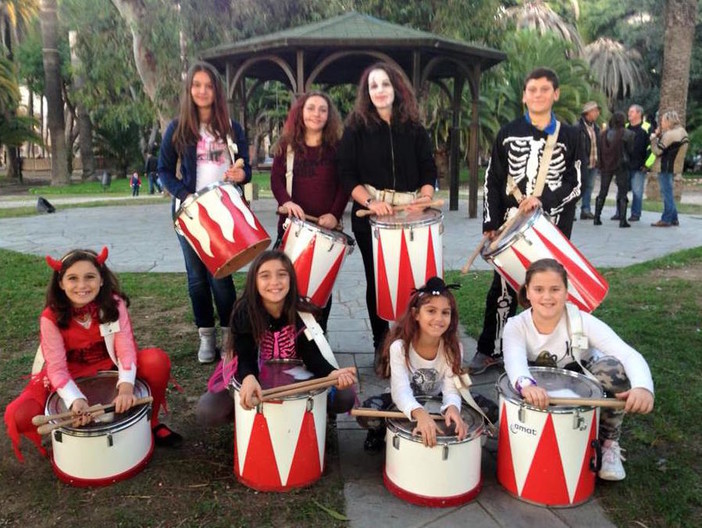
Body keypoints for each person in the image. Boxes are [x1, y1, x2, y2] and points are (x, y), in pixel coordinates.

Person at [4, 247, 181, 462]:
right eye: (72, 278)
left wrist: (126, 388)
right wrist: (75, 400)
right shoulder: (50, 317)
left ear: (102, 279)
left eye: (90, 277)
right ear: (61, 283)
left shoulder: (113, 304)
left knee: (155, 361)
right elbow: (57, 368)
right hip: (68, 374)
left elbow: (125, 348)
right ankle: (68, 435)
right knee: (21, 414)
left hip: (109, 366)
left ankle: (150, 423)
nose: (82, 285)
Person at [469, 67, 582, 374]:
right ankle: (491, 348)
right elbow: (492, 180)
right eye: (532, 90)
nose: (538, 95)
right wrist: (490, 225)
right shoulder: (507, 133)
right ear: (524, 96)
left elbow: (576, 183)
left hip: (552, 227)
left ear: (555, 94)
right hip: (512, 224)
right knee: (503, 287)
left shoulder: (572, 135)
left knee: (548, 289)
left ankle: (545, 352)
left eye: (545, 89)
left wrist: (544, 201)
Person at [502, 258, 654, 481]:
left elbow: (629, 354)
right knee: (512, 384)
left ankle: (608, 442)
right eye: (539, 289)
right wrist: (525, 385)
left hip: (581, 376)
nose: (547, 296)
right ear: (527, 293)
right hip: (539, 382)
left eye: (555, 289)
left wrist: (643, 387)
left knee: (614, 372)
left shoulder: (582, 321)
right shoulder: (516, 325)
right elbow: (514, 362)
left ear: (566, 292)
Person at [337, 62, 437, 357]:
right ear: (367, 93)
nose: (380, 91)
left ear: (396, 87)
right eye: (373, 86)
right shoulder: (355, 128)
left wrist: (425, 195)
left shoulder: (414, 127)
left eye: (385, 84)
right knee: (379, 282)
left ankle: (417, 343)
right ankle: (382, 346)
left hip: (412, 215)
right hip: (372, 216)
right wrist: (370, 202)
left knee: (417, 281)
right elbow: (346, 173)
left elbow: (428, 167)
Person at [196, 250, 357, 426]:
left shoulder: (302, 312)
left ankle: (315, 411)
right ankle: (247, 417)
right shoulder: (245, 311)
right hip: (250, 370)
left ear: (291, 279)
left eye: (282, 275)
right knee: (208, 411)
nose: (275, 282)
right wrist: (248, 378)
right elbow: (245, 355)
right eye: (265, 276)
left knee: (345, 396)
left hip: (295, 378)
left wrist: (332, 373)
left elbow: (312, 355)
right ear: (254, 282)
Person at [158, 61, 252, 363]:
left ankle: (229, 336)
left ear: (216, 91)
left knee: (220, 277)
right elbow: (163, 170)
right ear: (189, 91)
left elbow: (245, 166)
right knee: (196, 279)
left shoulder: (231, 128)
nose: (202, 91)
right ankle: (206, 336)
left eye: (208, 85)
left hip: (222, 212)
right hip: (188, 213)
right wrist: (185, 196)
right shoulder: (178, 128)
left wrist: (241, 174)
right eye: (196, 85)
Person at [359, 277, 467, 451]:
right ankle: (380, 432)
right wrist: (420, 414)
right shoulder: (400, 347)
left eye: (445, 312)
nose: (439, 318)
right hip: (405, 399)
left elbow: (451, 389)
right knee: (368, 412)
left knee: (486, 410)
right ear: (416, 314)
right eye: (431, 311)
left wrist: (453, 407)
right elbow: (400, 391)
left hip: (436, 399)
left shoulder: (454, 348)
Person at [270, 91, 348, 330]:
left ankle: (319, 335)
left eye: (322, 110)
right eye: (311, 108)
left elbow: (344, 185)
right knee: (286, 284)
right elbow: (276, 179)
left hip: (324, 230)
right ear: (301, 112)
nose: (316, 114)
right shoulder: (287, 146)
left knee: (320, 287)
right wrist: (287, 201)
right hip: (291, 227)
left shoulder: (337, 148)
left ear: (329, 115)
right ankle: (288, 338)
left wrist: (334, 214)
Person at [593, 111, 635, 228]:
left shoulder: (603, 134)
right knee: (623, 193)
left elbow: (599, 150)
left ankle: (597, 217)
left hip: (606, 165)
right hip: (621, 165)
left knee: (603, 191)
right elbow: (631, 150)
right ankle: (622, 220)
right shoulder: (628, 134)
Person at [650, 110, 689, 227]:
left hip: (666, 166)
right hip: (674, 166)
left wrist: (653, 138)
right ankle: (674, 218)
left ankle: (666, 219)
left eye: (662, 121)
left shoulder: (670, 134)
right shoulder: (682, 132)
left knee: (666, 193)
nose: (661, 123)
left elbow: (657, 151)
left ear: (668, 121)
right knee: (669, 193)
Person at [626, 105, 652, 222]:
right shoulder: (626, 127)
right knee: (622, 190)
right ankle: (619, 212)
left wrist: (647, 164)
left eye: (631, 112)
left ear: (639, 113)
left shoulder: (647, 127)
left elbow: (651, 148)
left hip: (639, 166)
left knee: (637, 191)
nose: (629, 114)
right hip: (625, 165)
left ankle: (635, 214)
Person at [577, 101, 601, 220]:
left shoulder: (596, 127)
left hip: (594, 163)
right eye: (595, 111)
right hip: (582, 163)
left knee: (589, 186)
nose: (597, 113)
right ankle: (571, 210)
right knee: (578, 187)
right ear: (588, 113)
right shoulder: (578, 127)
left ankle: (585, 210)